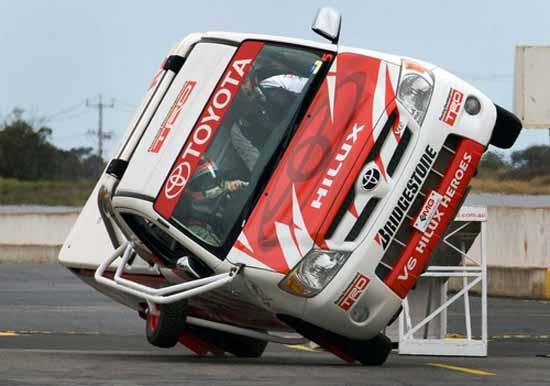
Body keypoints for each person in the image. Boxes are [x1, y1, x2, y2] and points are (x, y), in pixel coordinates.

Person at [230, 70, 308, 173]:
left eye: (244, 82)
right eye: (237, 90)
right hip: (294, 161)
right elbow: (259, 169)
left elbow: (317, 88)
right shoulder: (238, 130)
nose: (244, 90)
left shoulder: (275, 83)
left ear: (252, 78)